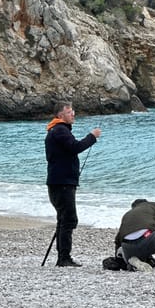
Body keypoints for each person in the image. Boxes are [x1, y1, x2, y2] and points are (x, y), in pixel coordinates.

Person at [45, 101, 101, 267]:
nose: (73, 114)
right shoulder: (60, 130)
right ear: (61, 115)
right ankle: (64, 258)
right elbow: (75, 147)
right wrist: (92, 136)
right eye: (70, 112)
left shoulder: (56, 130)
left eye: (73, 111)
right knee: (69, 219)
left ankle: (63, 257)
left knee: (63, 219)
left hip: (59, 182)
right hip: (62, 183)